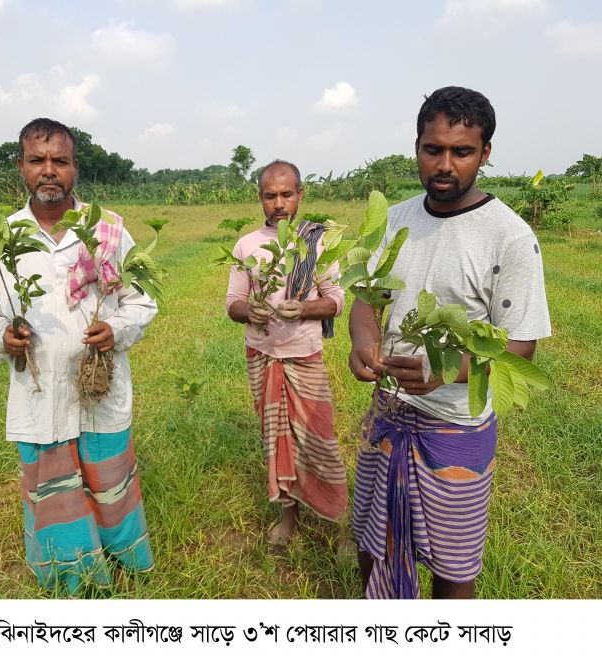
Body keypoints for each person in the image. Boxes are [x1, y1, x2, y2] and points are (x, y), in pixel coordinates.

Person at [349, 87, 551, 599]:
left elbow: (519, 349)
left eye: (461, 152)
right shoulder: (394, 219)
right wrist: (362, 341)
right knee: (372, 543)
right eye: (431, 149)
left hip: (455, 427)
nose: (444, 164)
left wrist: (446, 371)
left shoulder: (509, 237)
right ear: (416, 146)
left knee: (453, 566)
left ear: (485, 153)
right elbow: (367, 302)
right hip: (389, 411)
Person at [0, 118, 157, 592]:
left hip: (98, 388)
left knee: (109, 479)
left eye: (60, 161)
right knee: (52, 487)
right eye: (37, 160)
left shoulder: (106, 230)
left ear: (75, 167)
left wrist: (118, 327)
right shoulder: (0, 239)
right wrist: (1, 337)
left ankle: (126, 565)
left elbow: (142, 300)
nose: (49, 171)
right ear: (21, 167)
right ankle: (72, 575)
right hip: (39, 390)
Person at [226, 159, 348, 546]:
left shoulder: (317, 241)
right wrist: (251, 310)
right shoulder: (247, 245)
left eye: (286, 194)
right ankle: (289, 516)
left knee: (318, 436)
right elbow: (233, 304)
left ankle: (335, 516)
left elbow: (336, 300)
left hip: (304, 357)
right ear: (260, 198)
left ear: (300, 195)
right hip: (262, 356)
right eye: (270, 196)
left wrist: (305, 308)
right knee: (276, 439)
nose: (278, 203)